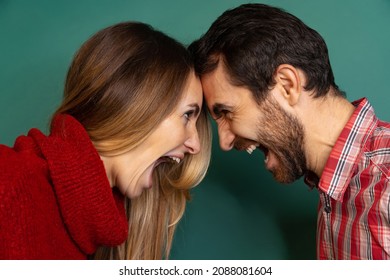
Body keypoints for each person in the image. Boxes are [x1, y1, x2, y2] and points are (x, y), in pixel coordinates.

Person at [189, 3, 390, 259]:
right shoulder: (336, 190)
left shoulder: (385, 184)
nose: (225, 142)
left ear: (286, 85)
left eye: (227, 112)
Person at [0, 21, 211, 260]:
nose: (196, 144)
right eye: (186, 115)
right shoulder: (8, 182)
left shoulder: (89, 231)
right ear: (135, 106)